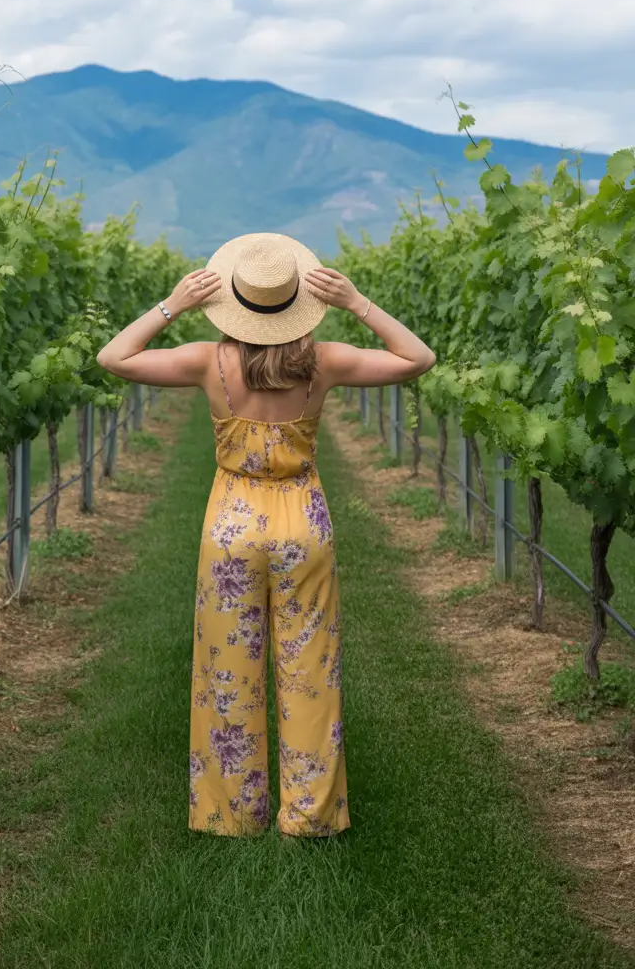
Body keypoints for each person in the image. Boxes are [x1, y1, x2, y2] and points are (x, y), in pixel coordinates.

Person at [96, 232, 436, 839]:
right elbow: (418, 358)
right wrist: (357, 302)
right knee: (310, 665)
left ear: (232, 300)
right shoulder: (324, 361)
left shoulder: (207, 361)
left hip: (230, 520)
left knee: (227, 665)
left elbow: (113, 357)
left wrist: (172, 304)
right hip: (303, 519)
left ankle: (232, 813)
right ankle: (311, 813)